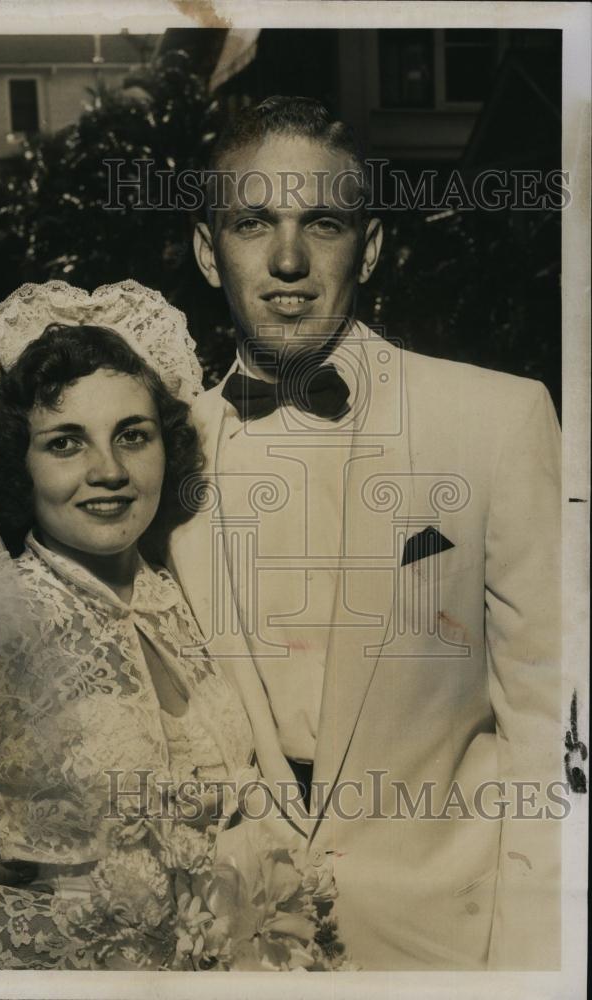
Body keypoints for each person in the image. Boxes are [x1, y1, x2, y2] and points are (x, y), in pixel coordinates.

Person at [168, 96, 562, 970]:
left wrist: (536, 966)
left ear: (371, 247)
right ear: (207, 251)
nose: (286, 260)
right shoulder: (160, 459)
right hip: (235, 951)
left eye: (323, 222)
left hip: (451, 944)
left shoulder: (496, 419)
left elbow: (550, 729)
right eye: (251, 223)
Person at [0, 280, 343, 971]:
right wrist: (121, 936)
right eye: (65, 443)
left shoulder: (180, 599)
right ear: (17, 465)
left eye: (132, 436)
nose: (108, 471)